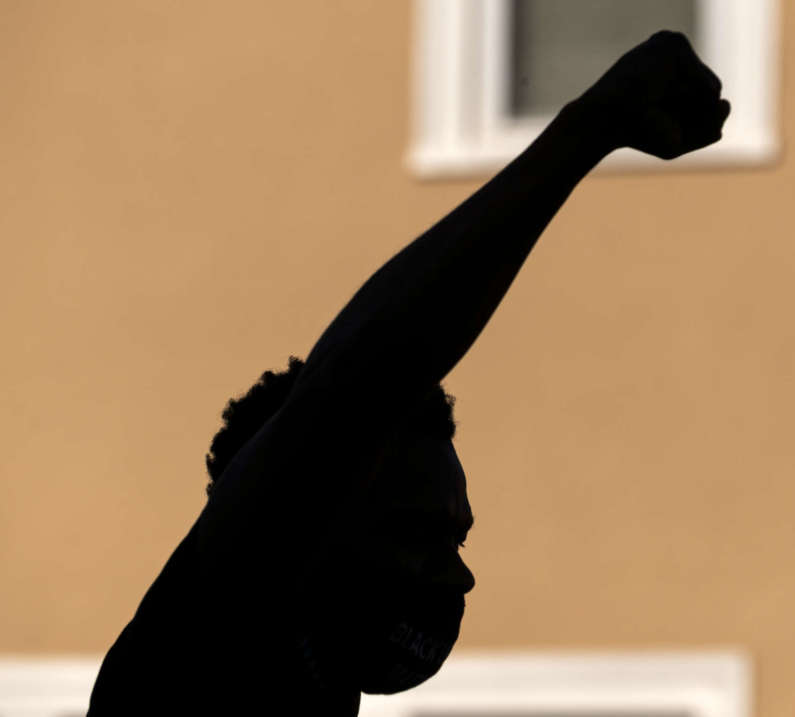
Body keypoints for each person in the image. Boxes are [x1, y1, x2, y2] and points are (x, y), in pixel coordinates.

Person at [87, 30, 730, 716]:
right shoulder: (197, 644)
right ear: (295, 507)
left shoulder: (317, 686)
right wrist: (589, 126)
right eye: (414, 533)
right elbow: (360, 385)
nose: (459, 574)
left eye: (453, 538)